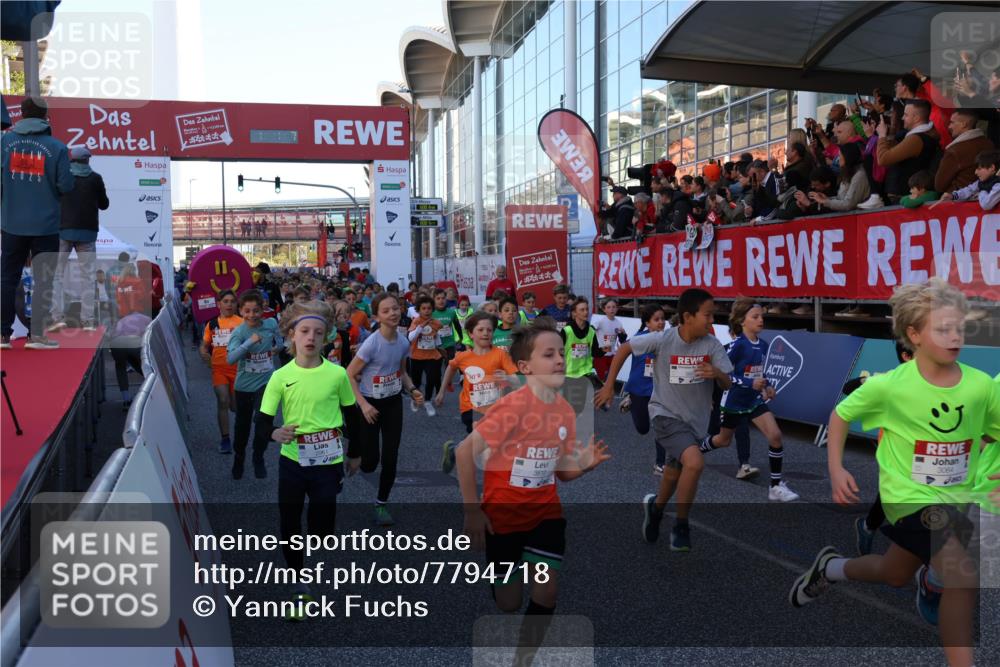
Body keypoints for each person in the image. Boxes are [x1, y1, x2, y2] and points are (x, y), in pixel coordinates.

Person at [790, 279, 999, 667]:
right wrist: (836, 469)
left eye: (959, 328)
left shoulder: (980, 385)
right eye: (943, 329)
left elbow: (991, 432)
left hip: (957, 499)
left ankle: (831, 568)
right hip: (907, 499)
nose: (955, 337)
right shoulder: (889, 387)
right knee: (963, 573)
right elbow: (841, 415)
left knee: (893, 573)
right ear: (914, 334)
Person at [455, 318, 610, 667]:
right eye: (548, 354)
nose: (559, 360)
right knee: (508, 603)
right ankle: (502, 581)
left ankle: (523, 659)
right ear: (525, 367)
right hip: (503, 517)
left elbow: (562, 474)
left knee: (547, 590)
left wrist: (585, 463)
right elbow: (465, 452)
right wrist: (471, 511)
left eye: (561, 353)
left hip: (545, 514)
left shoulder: (565, 411)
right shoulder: (513, 407)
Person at [595, 288, 733, 552]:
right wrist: (609, 385)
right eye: (707, 314)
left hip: (695, 420)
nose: (710, 320)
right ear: (688, 316)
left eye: (712, 315)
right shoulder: (663, 339)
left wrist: (715, 372)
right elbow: (624, 348)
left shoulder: (712, 344)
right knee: (694, 463)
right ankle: (681, 525)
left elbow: (727, 383)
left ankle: (656, 509)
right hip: (665, 414)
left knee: (673, 472)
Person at [256, 299, 358, 619]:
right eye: (304, 331)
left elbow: (351, 414)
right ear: (292, 336)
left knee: (322, 526)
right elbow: (263, 421)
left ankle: (316, 540)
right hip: (292, 461)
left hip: (327, 461)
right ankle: (300, 582)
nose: (311, 337)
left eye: (318, 332)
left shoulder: (337, 374)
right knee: (289, 522)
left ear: (326, 337)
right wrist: (274, 433)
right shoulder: (280, 377)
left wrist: (355, 453)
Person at [705, 300, 799, 501]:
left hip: (754, 401)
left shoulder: (763, 345)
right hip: (733, 402)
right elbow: (721, 374)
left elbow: (760, 371)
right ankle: (694, 451)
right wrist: (749, 382)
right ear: (742, 321)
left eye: (761, 316)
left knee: (775, 435)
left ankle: (775, 487)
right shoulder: (737, 346)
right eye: (755, 317)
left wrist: (768, 385)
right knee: (723, 440)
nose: (760, 320)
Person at [1, 97, 74, 350]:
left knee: (7, 278)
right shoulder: (58, 148)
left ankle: (2, 336)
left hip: (11, 223)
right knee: (44, 280)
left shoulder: (5, 142)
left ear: (21, 113)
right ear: (45, 116)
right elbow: (66, 185)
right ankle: (37, 336)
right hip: (46, 225)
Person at [345, 293, 423, 526]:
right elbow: (348, 374)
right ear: (376, 316)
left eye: (396, 309)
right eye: (386, 310)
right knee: (370, 464)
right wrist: (364, 405)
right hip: (370, 404)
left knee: (391, 458)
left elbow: (402, 372)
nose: (393, 313)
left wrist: (413, 389)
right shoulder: (371, 343)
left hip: (392, 404)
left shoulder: (402, 341)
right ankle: (356, 451)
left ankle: (381, 504)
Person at [436, 311, 519, 471]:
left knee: (483, 445)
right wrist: (441, 391)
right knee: (488, 448)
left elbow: (516, 378)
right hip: (470, 408)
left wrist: (507, 378)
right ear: (471, 334)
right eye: (480, 330)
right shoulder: (463, 357)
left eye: (489, 330)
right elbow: (451, 368)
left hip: (494, 408)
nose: (485, 333)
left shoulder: (500, 355)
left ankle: (455, 450)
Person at [46, 146, 109, 332]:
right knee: (88, 278)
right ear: (87, 160)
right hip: (87, 234)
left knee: (56, 276)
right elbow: (105, 205)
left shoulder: (63, 177)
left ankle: (58, 318)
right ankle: (88, 321)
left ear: (71, 160)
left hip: (62, 232)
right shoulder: (96, 179)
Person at [226, 289, 283, 480]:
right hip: (243, 387)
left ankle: (258, 457)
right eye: (247, 311)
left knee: (262, 421)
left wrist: (277, 348)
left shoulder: (271, 323)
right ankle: (239, 456)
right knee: (242, 426)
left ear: (263, 310)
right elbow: (230, 359)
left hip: (266, 383)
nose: (252, 315)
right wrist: (249, 342)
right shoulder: (239, 332)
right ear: (240, 311)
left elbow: (280, 340)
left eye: (256, 310)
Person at [615, 304, 667, 474]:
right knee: (643, 428)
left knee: (662, 425)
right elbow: (623, 350)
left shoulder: (667, 339)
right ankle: (630, 400)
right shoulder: (640, 338)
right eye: (656, 319)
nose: (661, 323)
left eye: (662, 319)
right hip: (639, 388)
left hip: (659, 390)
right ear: (647, 323)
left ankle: (660, 464)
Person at [200, 290, 243, 454]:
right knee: (222, 400)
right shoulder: (212, 324)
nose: (229, 304)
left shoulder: (241, 323)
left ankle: (239, 435)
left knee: (234, 406)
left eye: (232, 301)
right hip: (219, 369)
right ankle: (225, 439)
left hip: (239, 370)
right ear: (219, 304)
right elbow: (204, 345)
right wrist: (203, 352)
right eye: (226, 301)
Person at [877, 99, 941, 203]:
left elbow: (883, 159)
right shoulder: (924, 135)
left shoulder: (916, 139)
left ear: (916, 118)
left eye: (906, 115)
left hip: (904, 195)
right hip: (907, 193)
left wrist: (882, 136)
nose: (902, 118)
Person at [559, 297, 603, 417]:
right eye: (582, 310)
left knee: (578, 408)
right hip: (569, 374)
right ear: (574, 313)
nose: (585, 312)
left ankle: (572, 430)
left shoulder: (591, 331)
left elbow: (595, 353)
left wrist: (603, 350)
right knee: (569, 408)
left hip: (585, 373)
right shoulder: (566, 331)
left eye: (587, 309)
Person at [935, 109, 994, 194]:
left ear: (964, 124)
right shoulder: (988, 143)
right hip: (986, 194)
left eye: (952, 122)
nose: (949, 126)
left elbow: (939, 185)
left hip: (958, 199)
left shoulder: (955, 150)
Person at [407, 295, 444, 417]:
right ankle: (415, 399)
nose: (426, 311)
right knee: (416, 381)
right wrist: (420, 327)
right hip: (417, 356)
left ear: (432, 309)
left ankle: (427, 401)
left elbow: (436, 337)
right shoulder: (416, 321)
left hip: (432, 355)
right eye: (424, 308)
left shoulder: (436, 323)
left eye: (429, 308)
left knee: (432, 378)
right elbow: (410, 338)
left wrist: (441, 347)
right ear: (419, 310)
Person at [109, 311, 150, 410]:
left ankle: (126, 399)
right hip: (134, 342)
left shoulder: (122, 320)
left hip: (116, 343)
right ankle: (148, 392)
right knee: (144, 365)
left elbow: (112, 334)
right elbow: (150, 333)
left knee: (120, 368)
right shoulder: (145, 317)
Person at [935, 149, 1000, 210]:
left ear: (991, 167)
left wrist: (980, 192)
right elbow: (969, 190)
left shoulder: (998, 184)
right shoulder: (982, 182)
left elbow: (986, 204)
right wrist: (953, 196)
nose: (976, 172)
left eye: (979, 168)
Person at [590, 298, 627, 384]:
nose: (612, 309)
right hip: (601, 356)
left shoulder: (618, 323)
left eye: (614, 307)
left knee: (610, 380)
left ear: (617, 308)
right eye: (609, 307)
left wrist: (623, 335)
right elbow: (590, 331)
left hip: (612, 355)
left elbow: (622, 340)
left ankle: (605, 396)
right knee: (605, 380)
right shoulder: (600, 321)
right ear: (604, 309)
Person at [431, 288, 460, 384]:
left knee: (450, 366)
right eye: (438, 298)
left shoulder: (451, 312)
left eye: (443, 298)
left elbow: (457, 325)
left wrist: (460, 338)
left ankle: (448, 382)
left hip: (449, 344)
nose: (441, 301)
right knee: (436, 370)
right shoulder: (431, 313)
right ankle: (438, 384)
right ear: (434, 300)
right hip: (436, 346)